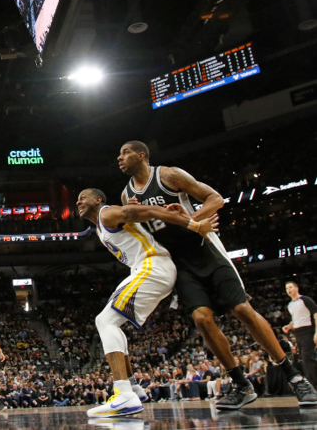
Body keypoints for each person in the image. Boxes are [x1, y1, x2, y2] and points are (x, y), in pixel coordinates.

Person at [118, 140, 317, 409]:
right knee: (201, 318)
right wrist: (134, 214)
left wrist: (194, 220)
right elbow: (139, 232)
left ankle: (294, 377)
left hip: (205, 249)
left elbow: (215, 198)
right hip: (180, 264)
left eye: (125, 152)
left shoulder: (168, 175)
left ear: (141, 155)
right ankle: (241, 385)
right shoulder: (126, 195)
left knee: (243, 310)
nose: (120, 158)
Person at [76, 188, 217, 417]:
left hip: (153, 266)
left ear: (98, 199)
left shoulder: (107, 213)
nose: (78, 201)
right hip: (148, 269)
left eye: (83, 197)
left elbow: (152, 210)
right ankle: (132, 387)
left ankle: (124, 394)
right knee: (109, 322)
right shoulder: (101, 224)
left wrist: (194, 224)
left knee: (105, 321)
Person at [284, 281, 317, 386]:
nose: (289, 290)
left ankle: (313, 385)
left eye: (290, 287)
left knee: (307, 358)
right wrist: (289, 326)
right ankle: (312, 383)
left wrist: (316, 332)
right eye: (287, 288)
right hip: (298, 333)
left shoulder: (305, 300)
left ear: (296, 288)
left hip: (308, 331)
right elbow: (295, 320)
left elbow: (316, 315)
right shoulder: (290, 305)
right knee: (304, 358)